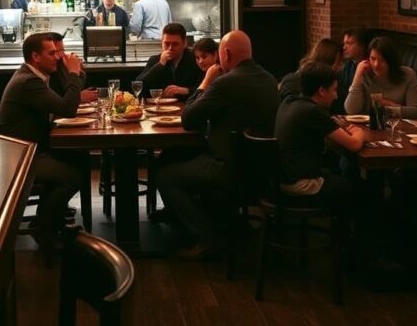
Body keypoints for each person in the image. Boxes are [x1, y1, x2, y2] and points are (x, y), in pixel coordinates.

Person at [156, 30, 280, 259]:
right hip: (264, 170)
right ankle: (218, 222)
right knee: (171, 157)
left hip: (228, 168)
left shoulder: (226, 82)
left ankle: (206, 237)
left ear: (225, 53)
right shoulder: (269, 79)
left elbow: (188, 117)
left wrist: (206, 81)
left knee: (164, 174)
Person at [0, 33, 87, 251]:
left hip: (30, 150)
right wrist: (73, 72)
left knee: (81, 159)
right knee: (77, 174)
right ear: (35, 56)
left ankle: (51, 223)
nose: (57, 57)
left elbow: (62, 102)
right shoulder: (29, 82)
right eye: (52, 53)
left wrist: (73, 74)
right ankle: (44, 229)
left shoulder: (35, 76)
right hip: (21, 158)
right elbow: (67, 108)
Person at [274, 63, 367, 209]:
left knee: (337, 173)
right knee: (359, 189)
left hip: (280, 180)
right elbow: (354, 144)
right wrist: (360, 132)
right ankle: (352, 231)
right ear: (322, 91)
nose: (336, 96)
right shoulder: (313, 111)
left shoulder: (289, 101)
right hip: (301, 185)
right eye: (334, 90)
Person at [344, 36, 417, 118]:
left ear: (391, 60)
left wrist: (386, 106)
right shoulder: (364, 73)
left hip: (397, 127)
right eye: (373, 59)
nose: (376, 64)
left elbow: (415, 111)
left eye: (382, 60)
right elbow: (351, 110)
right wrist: (356, 78)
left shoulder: (408, 74)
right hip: (367, 127)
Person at [134, 23, 204, 98]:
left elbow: (206, 88)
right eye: (166, 44)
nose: (170, 48)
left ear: (184, 43)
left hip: (188, 106)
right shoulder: (155, 60)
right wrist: (160, 65)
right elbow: (138, 87)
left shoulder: (195, 59)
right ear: (162, 43)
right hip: (160, 107)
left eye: (175, 44)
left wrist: (185, 90)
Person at [278, 38, 343, 111]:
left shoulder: (334, 81)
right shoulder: (293, 81)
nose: (340, 68)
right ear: (327, 62)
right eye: (337, 63)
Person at [48, 32, 98, 104]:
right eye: (54, 52)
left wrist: (79, 72)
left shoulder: (60, 65)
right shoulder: (44, 75)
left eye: (62, 50)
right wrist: (77, 97)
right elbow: (57, 102)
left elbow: (75, 89)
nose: (62, 55)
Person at [338, 28, 372, 109]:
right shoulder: (347, 65)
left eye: (349, 43)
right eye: (344, 43)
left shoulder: (371, 67)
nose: (344, 47)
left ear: (362, 46)